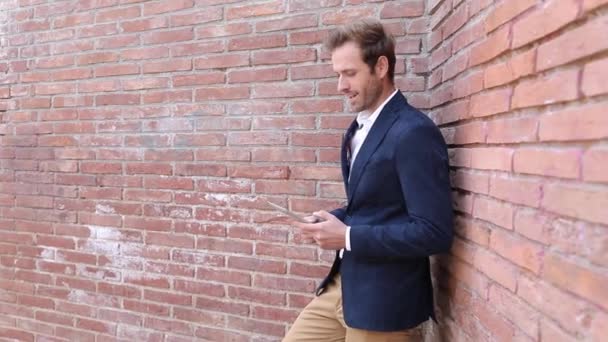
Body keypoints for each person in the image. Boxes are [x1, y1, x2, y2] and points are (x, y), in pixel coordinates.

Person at [283, 19, 454, 342]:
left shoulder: (413, 133)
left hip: (384, 304)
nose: (340, 86)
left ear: (381, 66)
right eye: (338, 74)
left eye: (349, 73)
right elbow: (377, 205)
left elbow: (434, 233)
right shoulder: (358, 129)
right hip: (343, 286)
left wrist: (347, 237)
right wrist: (334, 218)